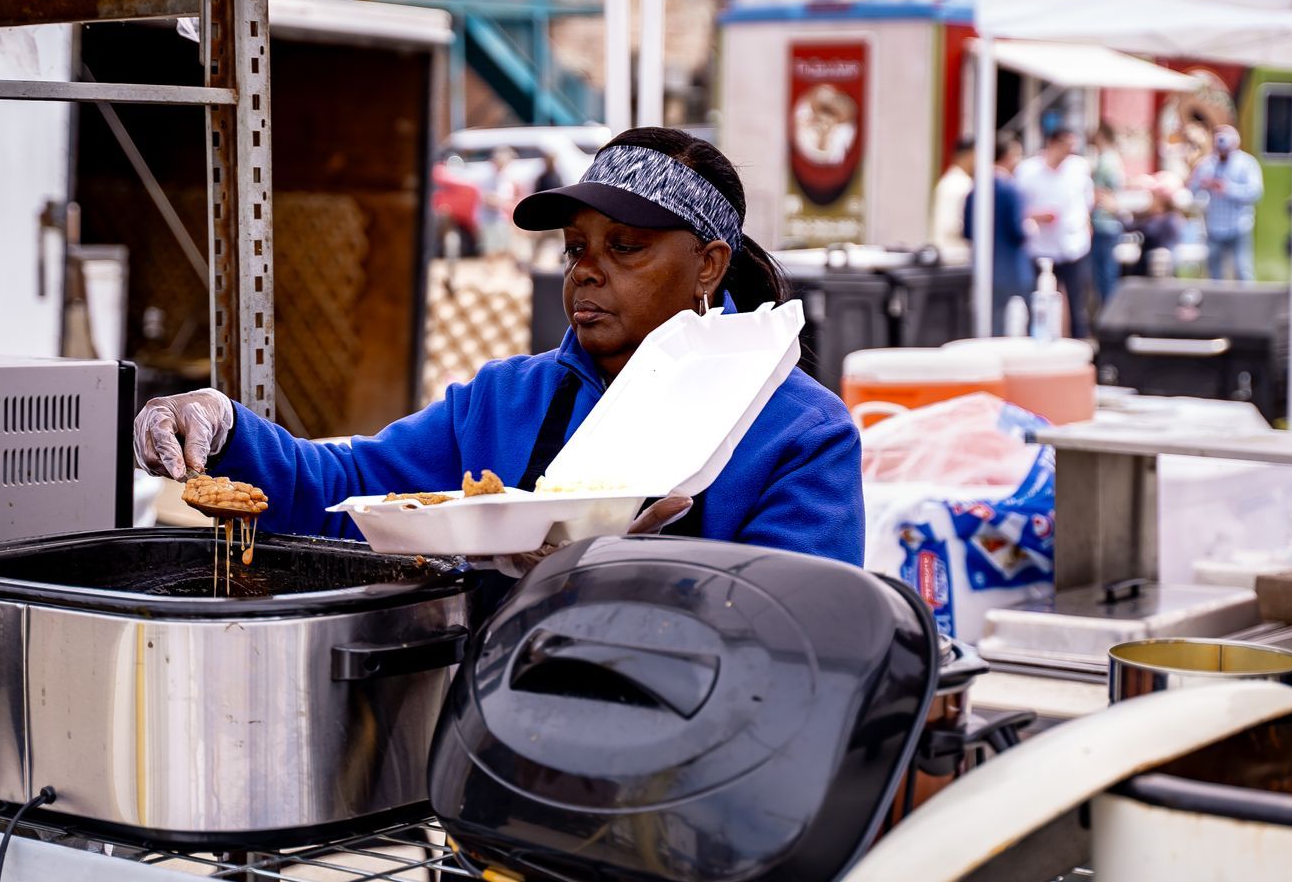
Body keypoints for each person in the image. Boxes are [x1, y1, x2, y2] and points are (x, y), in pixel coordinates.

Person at [133, 127, 864, 565]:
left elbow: (798, 633)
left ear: (707, 264)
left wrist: (624, 575)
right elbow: (345, 492)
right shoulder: (505, 400)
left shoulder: (799, 431)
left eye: (627, 247)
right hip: (504, 752)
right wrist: (226, 429)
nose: (587, 270)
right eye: (577, 248)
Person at [1015, 127, 1095, 339]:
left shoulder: (1079, 168)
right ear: (1051, 144)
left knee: (1077, 304)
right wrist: (1035, 216)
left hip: (1073, 245)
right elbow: (1017, 207)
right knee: (1036, 302)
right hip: (1039, 246)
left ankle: (1080, 345)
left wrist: (1086, 225)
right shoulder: (1027, 171)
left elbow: (1086, 201)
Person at [963, 132, 1031, 334]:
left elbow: (967, 231)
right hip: (1012, 270)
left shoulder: (975, 189)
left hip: (983, 268)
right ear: (1008, 156)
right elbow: (1018, 231)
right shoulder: (1011, 189)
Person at [1190, 125, 1263, 281]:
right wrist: (1203, 184)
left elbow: (1256, 192)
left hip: (1239, 226)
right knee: (1214, 273)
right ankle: (1216, 305)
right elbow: (1193, 190)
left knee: (1242, 269)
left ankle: (1247, 304)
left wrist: (1227, 188)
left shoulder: (1247, 163)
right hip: (1214, 227)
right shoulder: (1206, 164)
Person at [1087, 125, 1125, 314]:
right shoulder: (1110, 158)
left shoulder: (1107, 160)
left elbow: (1110, 192)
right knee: (1105, 274)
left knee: (1105, 275)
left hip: (1104, 223)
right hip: (1107, 223)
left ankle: (1109, 313)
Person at [1125, 175, 1185, 277]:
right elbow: (1130, 227)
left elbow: (1150, 231)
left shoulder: (1171, 219)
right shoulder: (1152, 216)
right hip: (1145, 268)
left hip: (1160, 269)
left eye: (1153, 196)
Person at [932, 134, 976, 258]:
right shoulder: (959, 184)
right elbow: (952, 225)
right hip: (955, 254)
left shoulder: (953, 181)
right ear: (968, 155)